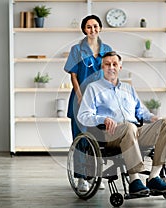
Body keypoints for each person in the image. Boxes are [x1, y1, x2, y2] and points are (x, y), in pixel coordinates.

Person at [77, 51, 166, 197]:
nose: (111, 67)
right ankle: (134, 180)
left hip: (135, 131)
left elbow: (141, 112)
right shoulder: (93, 88)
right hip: (110, 134)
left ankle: (154, 177)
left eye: (114, 64)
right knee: (129, 127)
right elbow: (83, 116)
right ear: (102, 67)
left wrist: (153, 118)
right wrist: (102, 119)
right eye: (107, 64)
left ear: (120, 67)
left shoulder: (128, 89)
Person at [64, 15, 112, 192]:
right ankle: (81, 178)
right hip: (80, 99)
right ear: (84, 29)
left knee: (98, 140)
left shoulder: (107, 49)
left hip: (100, 102)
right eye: (89, 27)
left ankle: (95, 176)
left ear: (100, 28)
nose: (92, 30)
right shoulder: (77, 50)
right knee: (81, 140)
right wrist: (79, 95)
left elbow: (111, 72)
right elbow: (74, 75)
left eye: (95, 26)